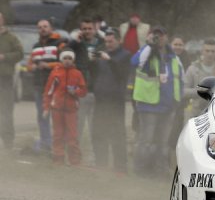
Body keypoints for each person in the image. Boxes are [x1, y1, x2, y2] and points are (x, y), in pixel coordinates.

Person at [131, 26, 182, 176]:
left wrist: (177, 100)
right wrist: (149, 45)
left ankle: (160, 170)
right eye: (155, 35)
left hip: (168, 105)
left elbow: (180, 79)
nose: (158, 38)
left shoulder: (173, 57)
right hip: (148, 105)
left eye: (161, 35)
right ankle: (140, 170)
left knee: (163, 142)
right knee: (145, 140)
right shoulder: (146, 52)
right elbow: (134, 62)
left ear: (166, 37)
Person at [90, 28, 131, 173]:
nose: (108, 44)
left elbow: (121, 74)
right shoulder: (102, 55)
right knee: (98, 132)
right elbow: (95, 75)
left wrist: (109, 60)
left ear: (119, 40)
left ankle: (120, 167)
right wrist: (93, 62)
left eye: (111, 41)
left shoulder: (125, 55)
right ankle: (101, 164)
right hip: (100, 100)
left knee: (117, 134)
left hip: (115, 102)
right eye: (106, 41)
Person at [42, 48, 87, 165]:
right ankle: (58, 158)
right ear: (61, 59)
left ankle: (75, 160)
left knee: (72, 136)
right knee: (58, 135)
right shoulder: (55, 73)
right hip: (57, 108)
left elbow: (83, 91)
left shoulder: (77, 74)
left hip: (71, 110)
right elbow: (48, 91)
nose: (67, 61)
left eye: (70, 58)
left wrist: (75, 91)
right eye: (65, 58)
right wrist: (46, 107)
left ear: (73, 60)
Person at [29, 19, 67, 153]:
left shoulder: (60, 43)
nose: (42, 29)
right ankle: (46, 142)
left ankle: (59, 142)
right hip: (39, 85)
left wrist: (48, 65)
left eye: (45, 26)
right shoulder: (35, 46)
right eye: (40, 27)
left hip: (56, 85)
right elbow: (29, 65)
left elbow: (65, 62)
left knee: (58, 115)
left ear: (51, 28)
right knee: (42, 116)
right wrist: (32, 67)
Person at [69, 18, 102, 145]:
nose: (87, 31)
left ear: (94, 30)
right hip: (80, 90)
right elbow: (63, 53)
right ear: (80, 30)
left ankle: (97, 153)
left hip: (97, 90)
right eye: (84, 29)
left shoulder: (101, 43)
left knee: (96, 126)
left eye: (90, 28)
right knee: (78, 124)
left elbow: (107, 56)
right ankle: (74, 151)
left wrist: (95, 57)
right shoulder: (76, 44)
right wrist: (74, 42)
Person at [182, 38, 215, 118]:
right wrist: (201, 92)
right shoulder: (193, 69)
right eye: (207, 51)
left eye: (213, 51)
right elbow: (183, 91)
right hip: (196, 113)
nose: (210, 54)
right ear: (202, 51)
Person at [0, 12, 24, 151]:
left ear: (2, 20)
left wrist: (5, 57)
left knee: (6, 111)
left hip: (5, 79)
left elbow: (20, 54)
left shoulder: (11, 38)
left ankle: (8, 142)